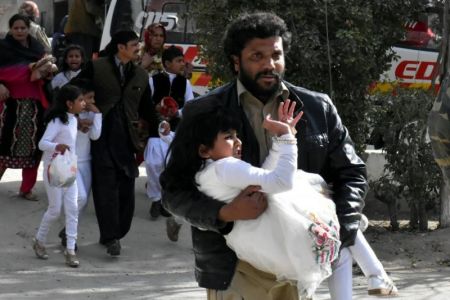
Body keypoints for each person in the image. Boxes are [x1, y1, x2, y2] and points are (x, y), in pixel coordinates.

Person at [161, 12, 367, 300]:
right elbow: (173, 190)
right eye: (257, 56)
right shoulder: (204, 112)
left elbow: (351, 173)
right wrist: (223, 213)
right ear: (236, 61)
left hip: (298, 265)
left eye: (276, 55)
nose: (269, 64)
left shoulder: (317, 108)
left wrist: (340, 230)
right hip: (233, 266)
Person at [164, 99, 342, 298]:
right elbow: (281, 181)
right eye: (229, 137)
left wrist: (280, 141)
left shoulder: (315, 104)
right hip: (237, 270)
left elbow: (264, 175)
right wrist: (287, 139)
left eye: (236, 135)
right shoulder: (211, 118)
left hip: (269, 258)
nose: (238, 142)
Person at [75, 30, 158, 257]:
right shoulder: (97, 67)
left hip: (126, 139)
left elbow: (147, 107)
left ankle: (116, 233)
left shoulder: (141, 75)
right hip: (101, 137)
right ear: (121, 47)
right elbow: (74, 90)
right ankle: (111, 237)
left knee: (126, 190)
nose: (138, 49)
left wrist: (160, 127)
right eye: (133, 45)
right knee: (105, 189)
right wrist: (80, 114)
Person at [33, 84, 86, 268]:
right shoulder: (57, 121)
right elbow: (42, 144)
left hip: (69, 168)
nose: (84, 103)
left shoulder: (73, 119)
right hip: (53, 169)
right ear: (69, 104)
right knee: (55, 209)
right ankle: (39, 240)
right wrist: (57, 146)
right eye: (80, 100)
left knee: (72, 208)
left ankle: (70, 250)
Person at [0, 14, 50, 201]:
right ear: (11, 29)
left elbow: (45, 75)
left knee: (34, 148)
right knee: (3, 144)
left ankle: (26, 188)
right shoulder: (3, 48)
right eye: (16, 28)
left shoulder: (38, 49)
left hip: (34, 104)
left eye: (23, 28)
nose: (20, 31)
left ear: (29, 29)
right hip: (9, 103)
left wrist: (45, 72)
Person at [146, 45, 194, 221]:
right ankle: (155, 198)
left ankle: (165, 200)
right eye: (178, 61)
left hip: (175, 131)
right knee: (153, 164)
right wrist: (158, 111)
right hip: (156, 131)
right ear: (167, 63)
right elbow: (147, 104)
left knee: (170, 166)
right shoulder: (154, 80)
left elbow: (189, 105)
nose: (182, 64)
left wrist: (178, 113)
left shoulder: (185, 82)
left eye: (183, 60)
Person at [57, 78, 102, 249]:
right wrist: (76, 125)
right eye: (89, 98)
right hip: (66, 161)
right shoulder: (64, 116)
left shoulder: (90, 114)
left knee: (82, 202)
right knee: (78, 198)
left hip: (85, 162)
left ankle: (69, 233)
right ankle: (70, 236)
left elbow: (95, 136)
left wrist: (97, 114)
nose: (91, 102)